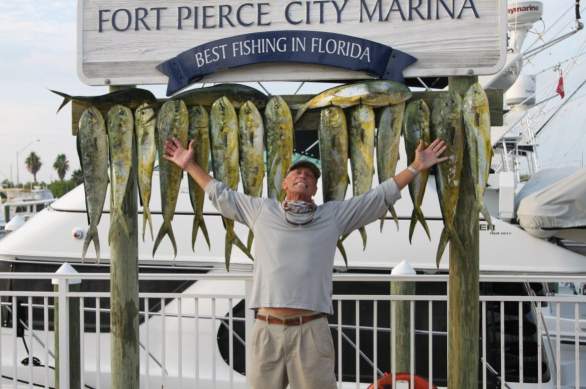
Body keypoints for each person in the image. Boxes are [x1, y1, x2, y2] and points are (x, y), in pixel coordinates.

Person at [164, 137, 447, 389]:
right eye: (297, 172)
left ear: (314, 188)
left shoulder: (333, 215)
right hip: (266, 330)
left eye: (310, 176)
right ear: (284, 183)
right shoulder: (261, 210)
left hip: (311, 331)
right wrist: (188, 165)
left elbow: (378, 197)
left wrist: (415, 167)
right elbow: (220, 193)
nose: (303, 176)